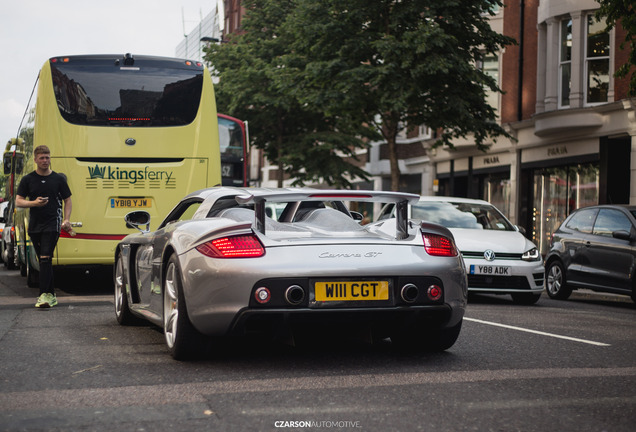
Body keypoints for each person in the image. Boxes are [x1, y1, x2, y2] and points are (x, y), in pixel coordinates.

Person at [16, 145, 72, 308]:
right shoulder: (28, 179)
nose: (45, 160)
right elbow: (19, 201)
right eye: (42, 158)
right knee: (43, 261)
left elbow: (67, 199)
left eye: (47, 157)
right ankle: (52, 294)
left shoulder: (58, 179)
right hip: (34, 225)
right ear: (35, 160)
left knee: (45, 257)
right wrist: (34, 203)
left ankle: (44, 295)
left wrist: (66, 219)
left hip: (53, 223)